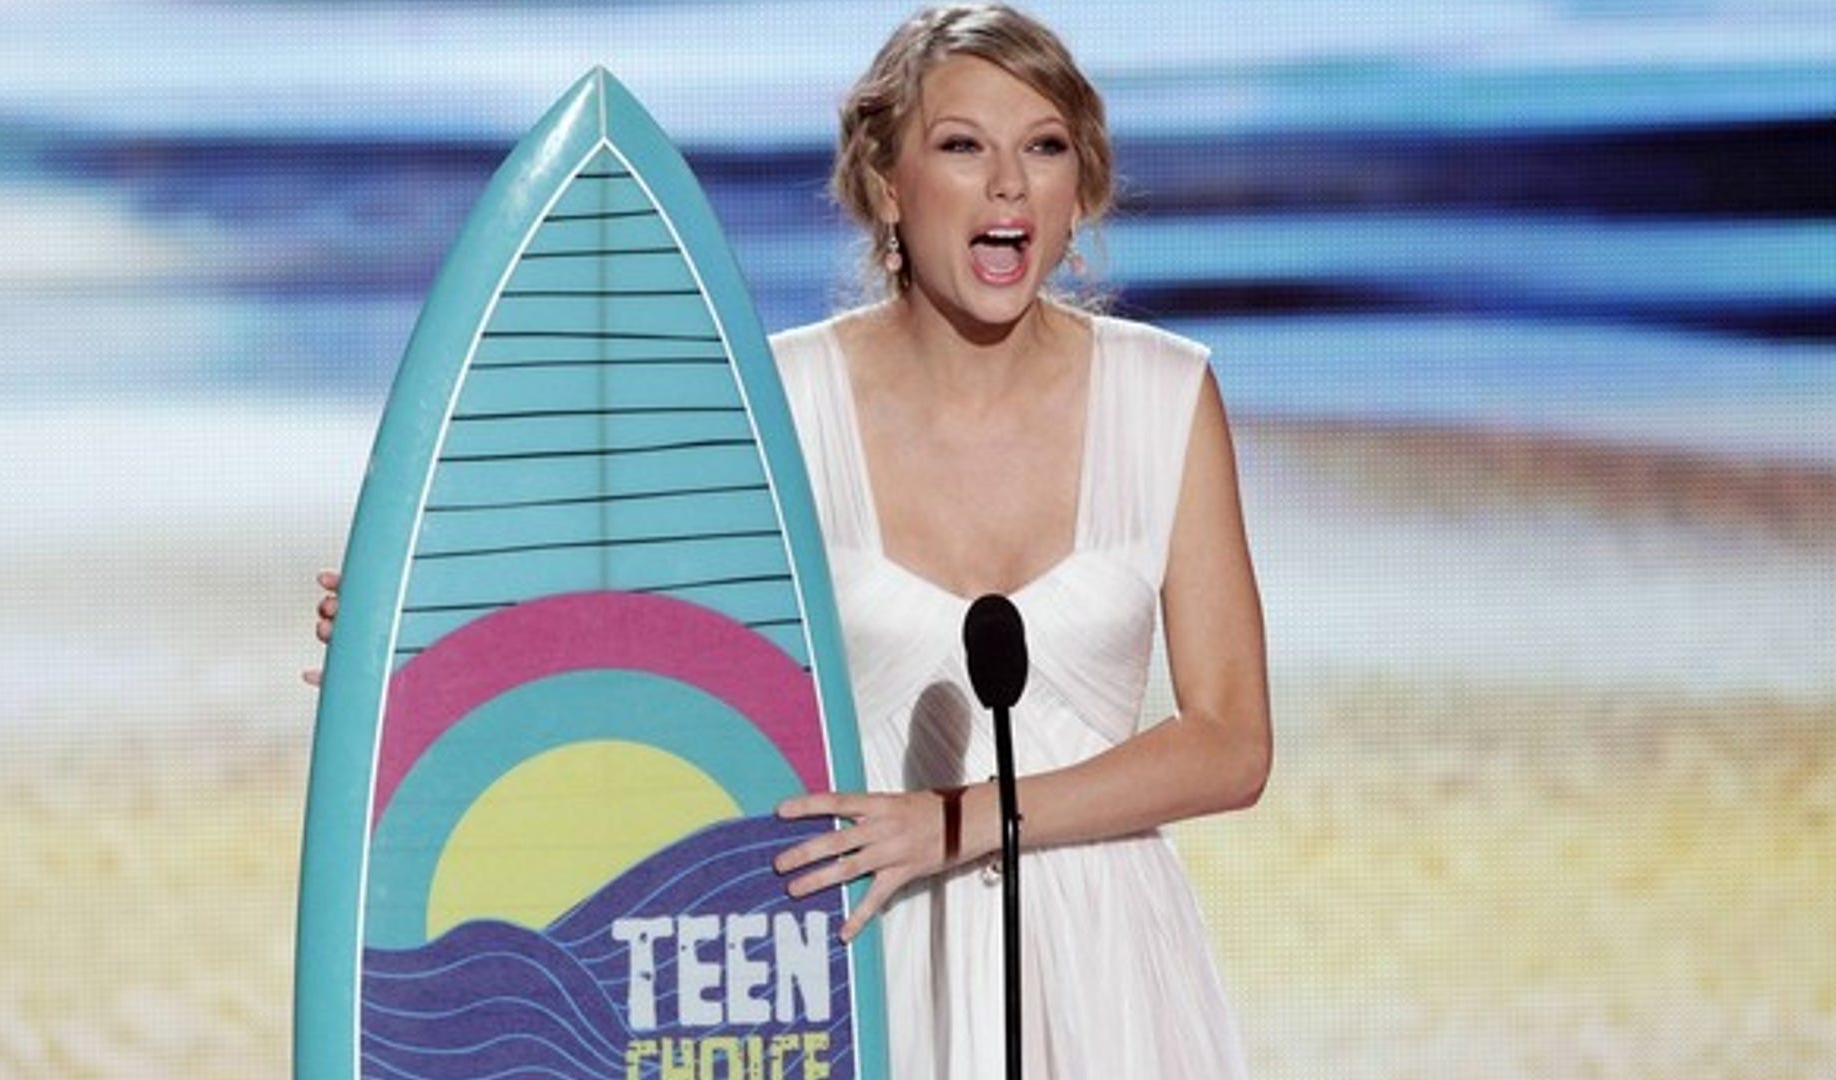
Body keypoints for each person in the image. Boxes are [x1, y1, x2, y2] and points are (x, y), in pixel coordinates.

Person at [314, 5, 1271, 1076]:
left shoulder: (1165, 393)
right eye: (963, 146)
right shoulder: (776, 402)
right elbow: (629, 627)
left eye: (1043, 147)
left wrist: (954, 824)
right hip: (857, 950)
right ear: (886, 184)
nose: (1009, 185)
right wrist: (429, 625)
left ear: (1079, 185)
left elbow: (1230, 743)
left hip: (1110, 967)